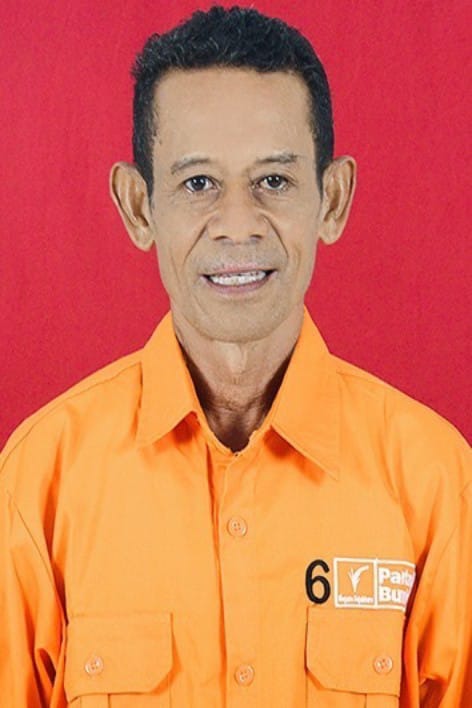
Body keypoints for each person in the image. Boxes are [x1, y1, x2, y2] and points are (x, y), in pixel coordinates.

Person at [0, 5, 470, 706]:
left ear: (332, 199)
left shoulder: (436, 482)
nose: (239, 225)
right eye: (198, 184)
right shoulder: (40, 481)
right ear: (138, 207)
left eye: (273, 181)